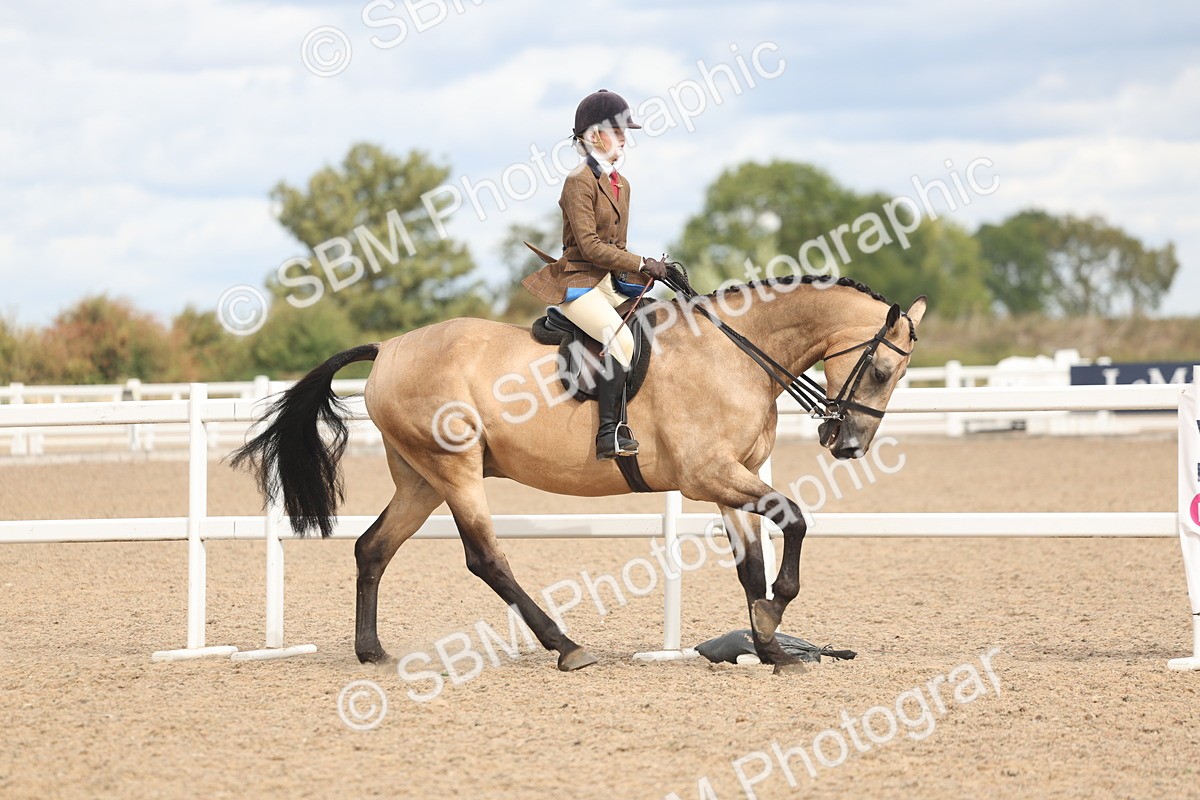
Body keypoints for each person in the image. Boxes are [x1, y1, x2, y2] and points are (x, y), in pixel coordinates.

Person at [522, 89, 670, 460]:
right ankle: (609, 433)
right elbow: (589, 247)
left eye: (625, 130)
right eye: (617, 129)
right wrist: (639, 263)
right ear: (592, 136)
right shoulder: (579, 181)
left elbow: (616, 246)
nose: (624, 136)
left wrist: (647, 271)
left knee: (658, 322)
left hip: (609, 284)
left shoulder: (622, 184)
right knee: (619, 341)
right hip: (578, 284)